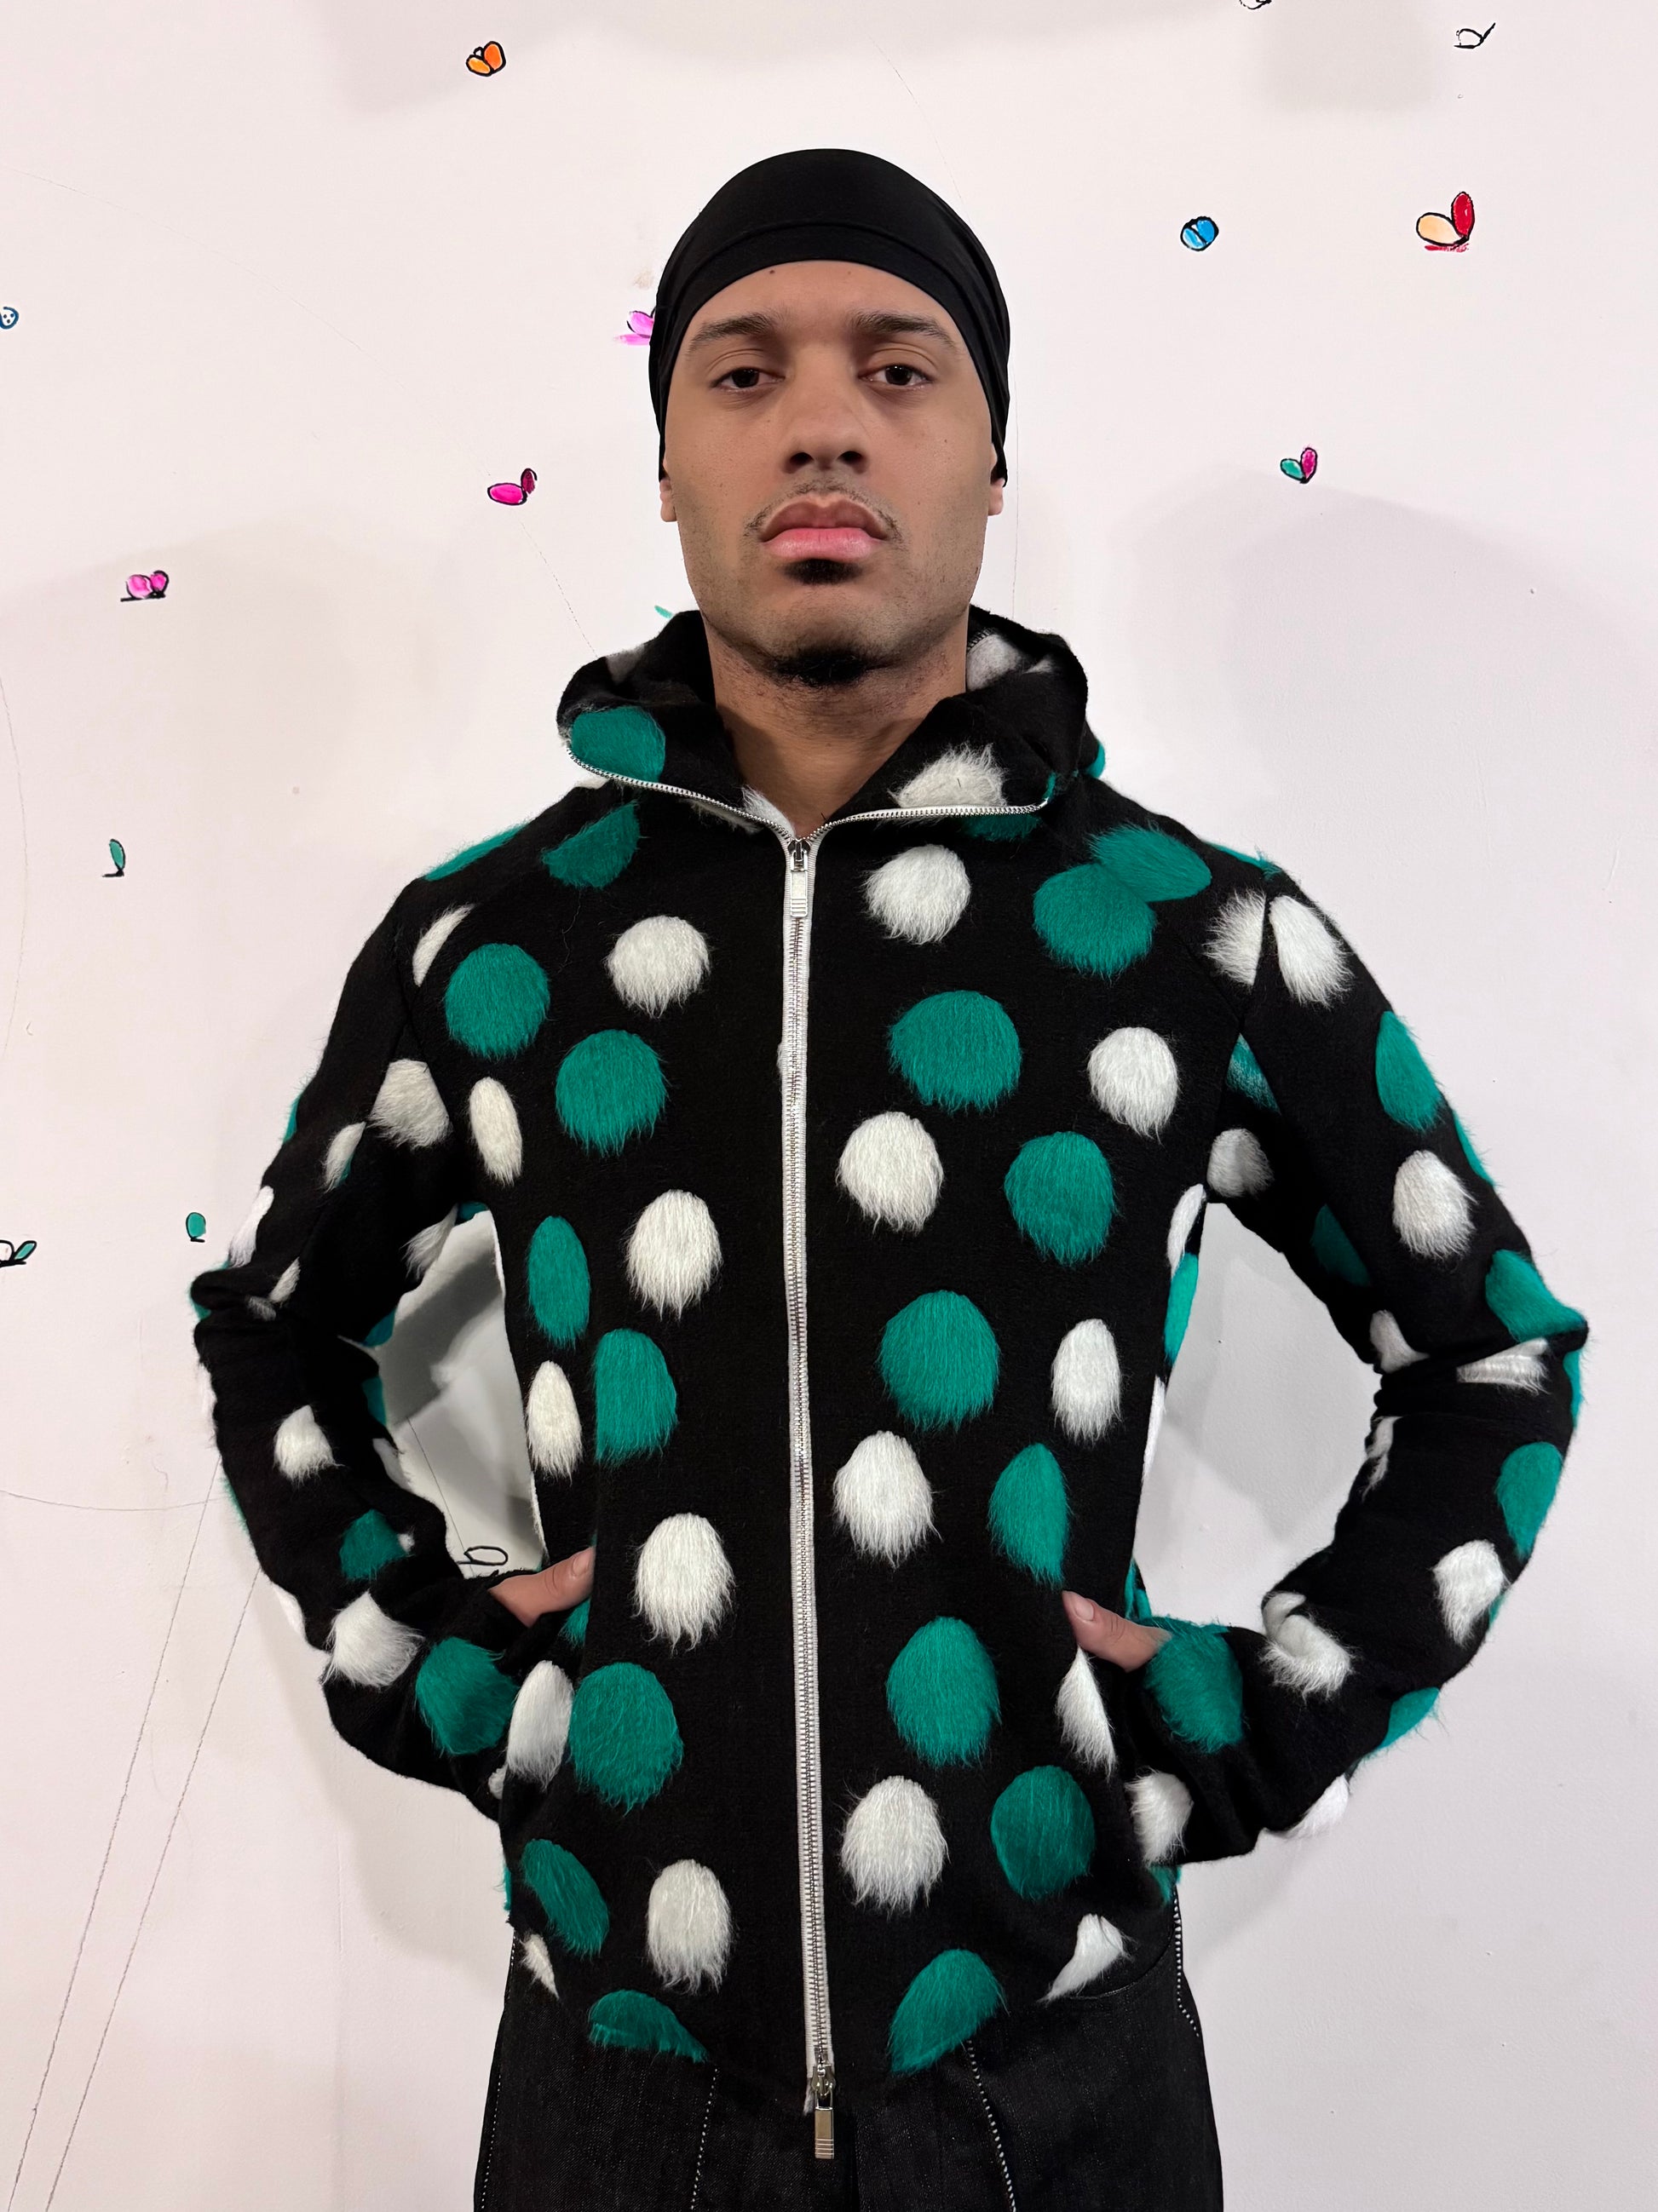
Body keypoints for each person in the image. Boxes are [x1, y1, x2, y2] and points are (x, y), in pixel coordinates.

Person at [191, 148, 1589, 2211]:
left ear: (991, 458)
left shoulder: (1191, 934)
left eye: (900, 367)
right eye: (743, 371)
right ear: (666, 463)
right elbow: (276, 1332)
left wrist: (1258, 1713)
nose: (823, 424)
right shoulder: (490, 943)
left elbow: (1490, 1355)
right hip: (617, 2077)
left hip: (1058, 2069)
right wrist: (445, 1665)